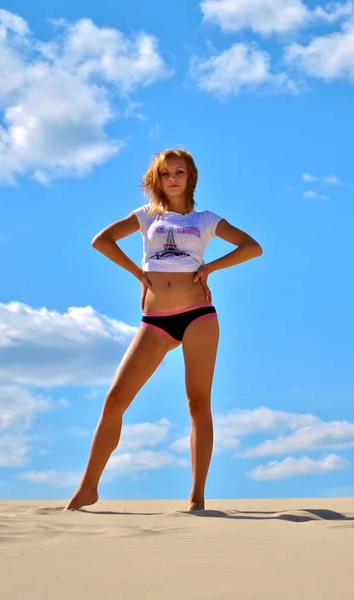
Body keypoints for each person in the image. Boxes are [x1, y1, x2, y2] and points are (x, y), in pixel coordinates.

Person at [64, 148, 262, 512]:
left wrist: (210, 268)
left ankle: (196, 497)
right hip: (155, 321)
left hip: (198, 315)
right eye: (166, 173)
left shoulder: (206, 220)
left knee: (197, 402)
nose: (173, 178)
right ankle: (87, 489)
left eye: (180, 172)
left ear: (191, 178)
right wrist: (139, 273)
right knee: (114, 400)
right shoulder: (145, 216)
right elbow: (101, 240)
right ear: (158, 179)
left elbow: (253, 247)